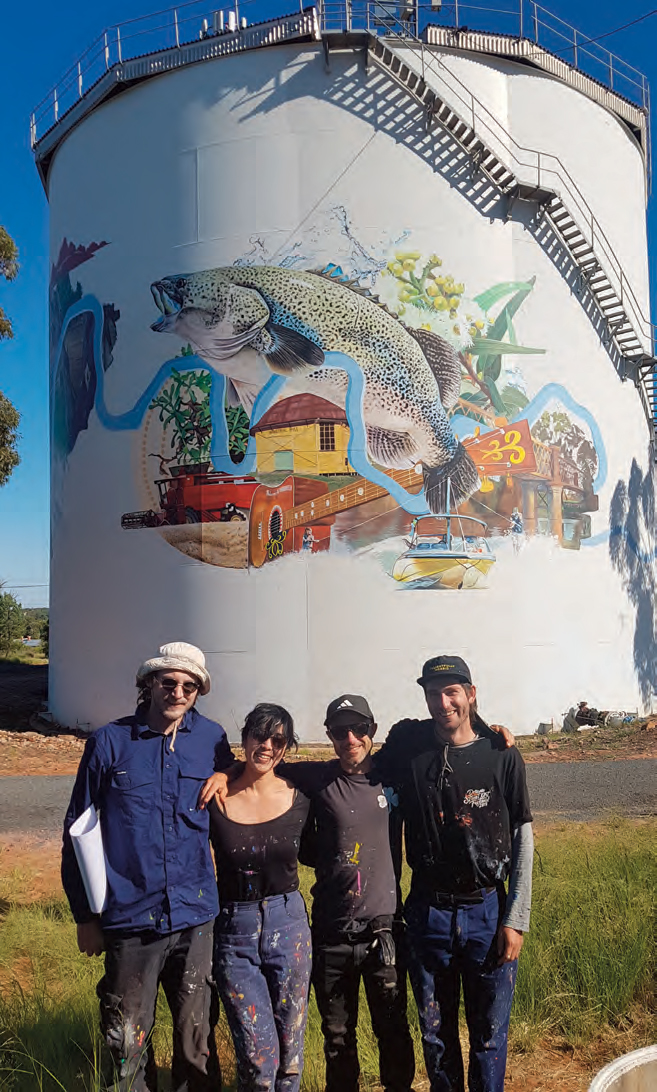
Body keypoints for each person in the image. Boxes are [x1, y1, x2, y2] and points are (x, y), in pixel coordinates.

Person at [61, 641, 234, 1092]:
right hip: (131, 918)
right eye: (169, 682)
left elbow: (247, 781)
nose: (179, 692)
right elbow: (76, 830)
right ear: (148, 684)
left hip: (195, 915)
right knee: (126, 1040)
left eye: (189, 685)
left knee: (195, 1037)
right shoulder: (109, 742)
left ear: (199, 691)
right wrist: (85, 917)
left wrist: (227, 774)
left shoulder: (211, 739)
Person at [375, 656, 533, 1092]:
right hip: (429, 914)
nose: (442, 703)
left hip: (487, 910)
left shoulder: (502, 755)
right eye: (432, 693)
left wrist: (515, 919)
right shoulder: (409, 750)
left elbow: (524, 838)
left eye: (452, 692)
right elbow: (353, 767)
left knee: (489, 1036)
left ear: (471, 694)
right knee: (436, 1036)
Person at [209, 703, 312, 1092]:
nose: (267, 745)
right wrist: (226, 772)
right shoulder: (216, 797)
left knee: (290, 1054)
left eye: (278, 739)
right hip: (235, 930)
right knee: (257, 1057)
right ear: (245, 737)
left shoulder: (301, 796)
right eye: (259, 735)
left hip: (289, 927)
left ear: (287, 747)